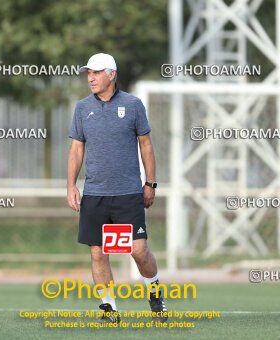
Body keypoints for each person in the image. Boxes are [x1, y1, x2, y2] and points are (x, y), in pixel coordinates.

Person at [67, 53, 168, 323]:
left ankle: (155, 293)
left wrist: (151, 182)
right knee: (98, 253)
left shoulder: (133, 105)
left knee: (138, 250)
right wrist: (71, 186)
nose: (90, 77)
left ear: (111, 74)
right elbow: (77, 149)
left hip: (128, 193)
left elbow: (146, 144)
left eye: (96, 72)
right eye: (88, 72)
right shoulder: (82, 108)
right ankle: (109, 308)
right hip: (95, 195)